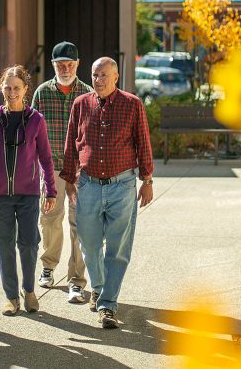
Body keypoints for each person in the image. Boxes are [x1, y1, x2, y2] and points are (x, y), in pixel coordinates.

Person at [60, 57, 154, 330]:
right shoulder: (81, 104)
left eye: (103, 75)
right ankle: (99, 288)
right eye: (94, 75)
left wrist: (147, 179)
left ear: (115, 77)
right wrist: (69, 178)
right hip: (88, 185)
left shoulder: (132, 104)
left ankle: (108, 305)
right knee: (88, 245)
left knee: (118, 248)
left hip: (122, 185)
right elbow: (72, 142)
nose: (98, 80)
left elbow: (143, 142)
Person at [0, 65, 57, 316]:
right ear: (1, 88)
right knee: (5, 246)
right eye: (7, 88)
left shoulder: (36, 120)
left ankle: (29, 291)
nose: (12, 93)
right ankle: (11, 296)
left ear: (25, 89)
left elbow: (45, 157)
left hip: (28, 194)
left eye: (17, 88)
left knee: (29, 244)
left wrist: (51, 190)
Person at [31, 41, 93, 303]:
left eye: (70, 64)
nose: (65, 69)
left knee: (80, 224)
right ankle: (48, 265)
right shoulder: (42, 93)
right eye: (60, 65)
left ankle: (76, 281)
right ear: (53, 65)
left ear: (77, 65)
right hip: (51, 168)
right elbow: (31, 131)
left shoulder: (89, 93)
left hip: (80, 171)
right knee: (49, 219)